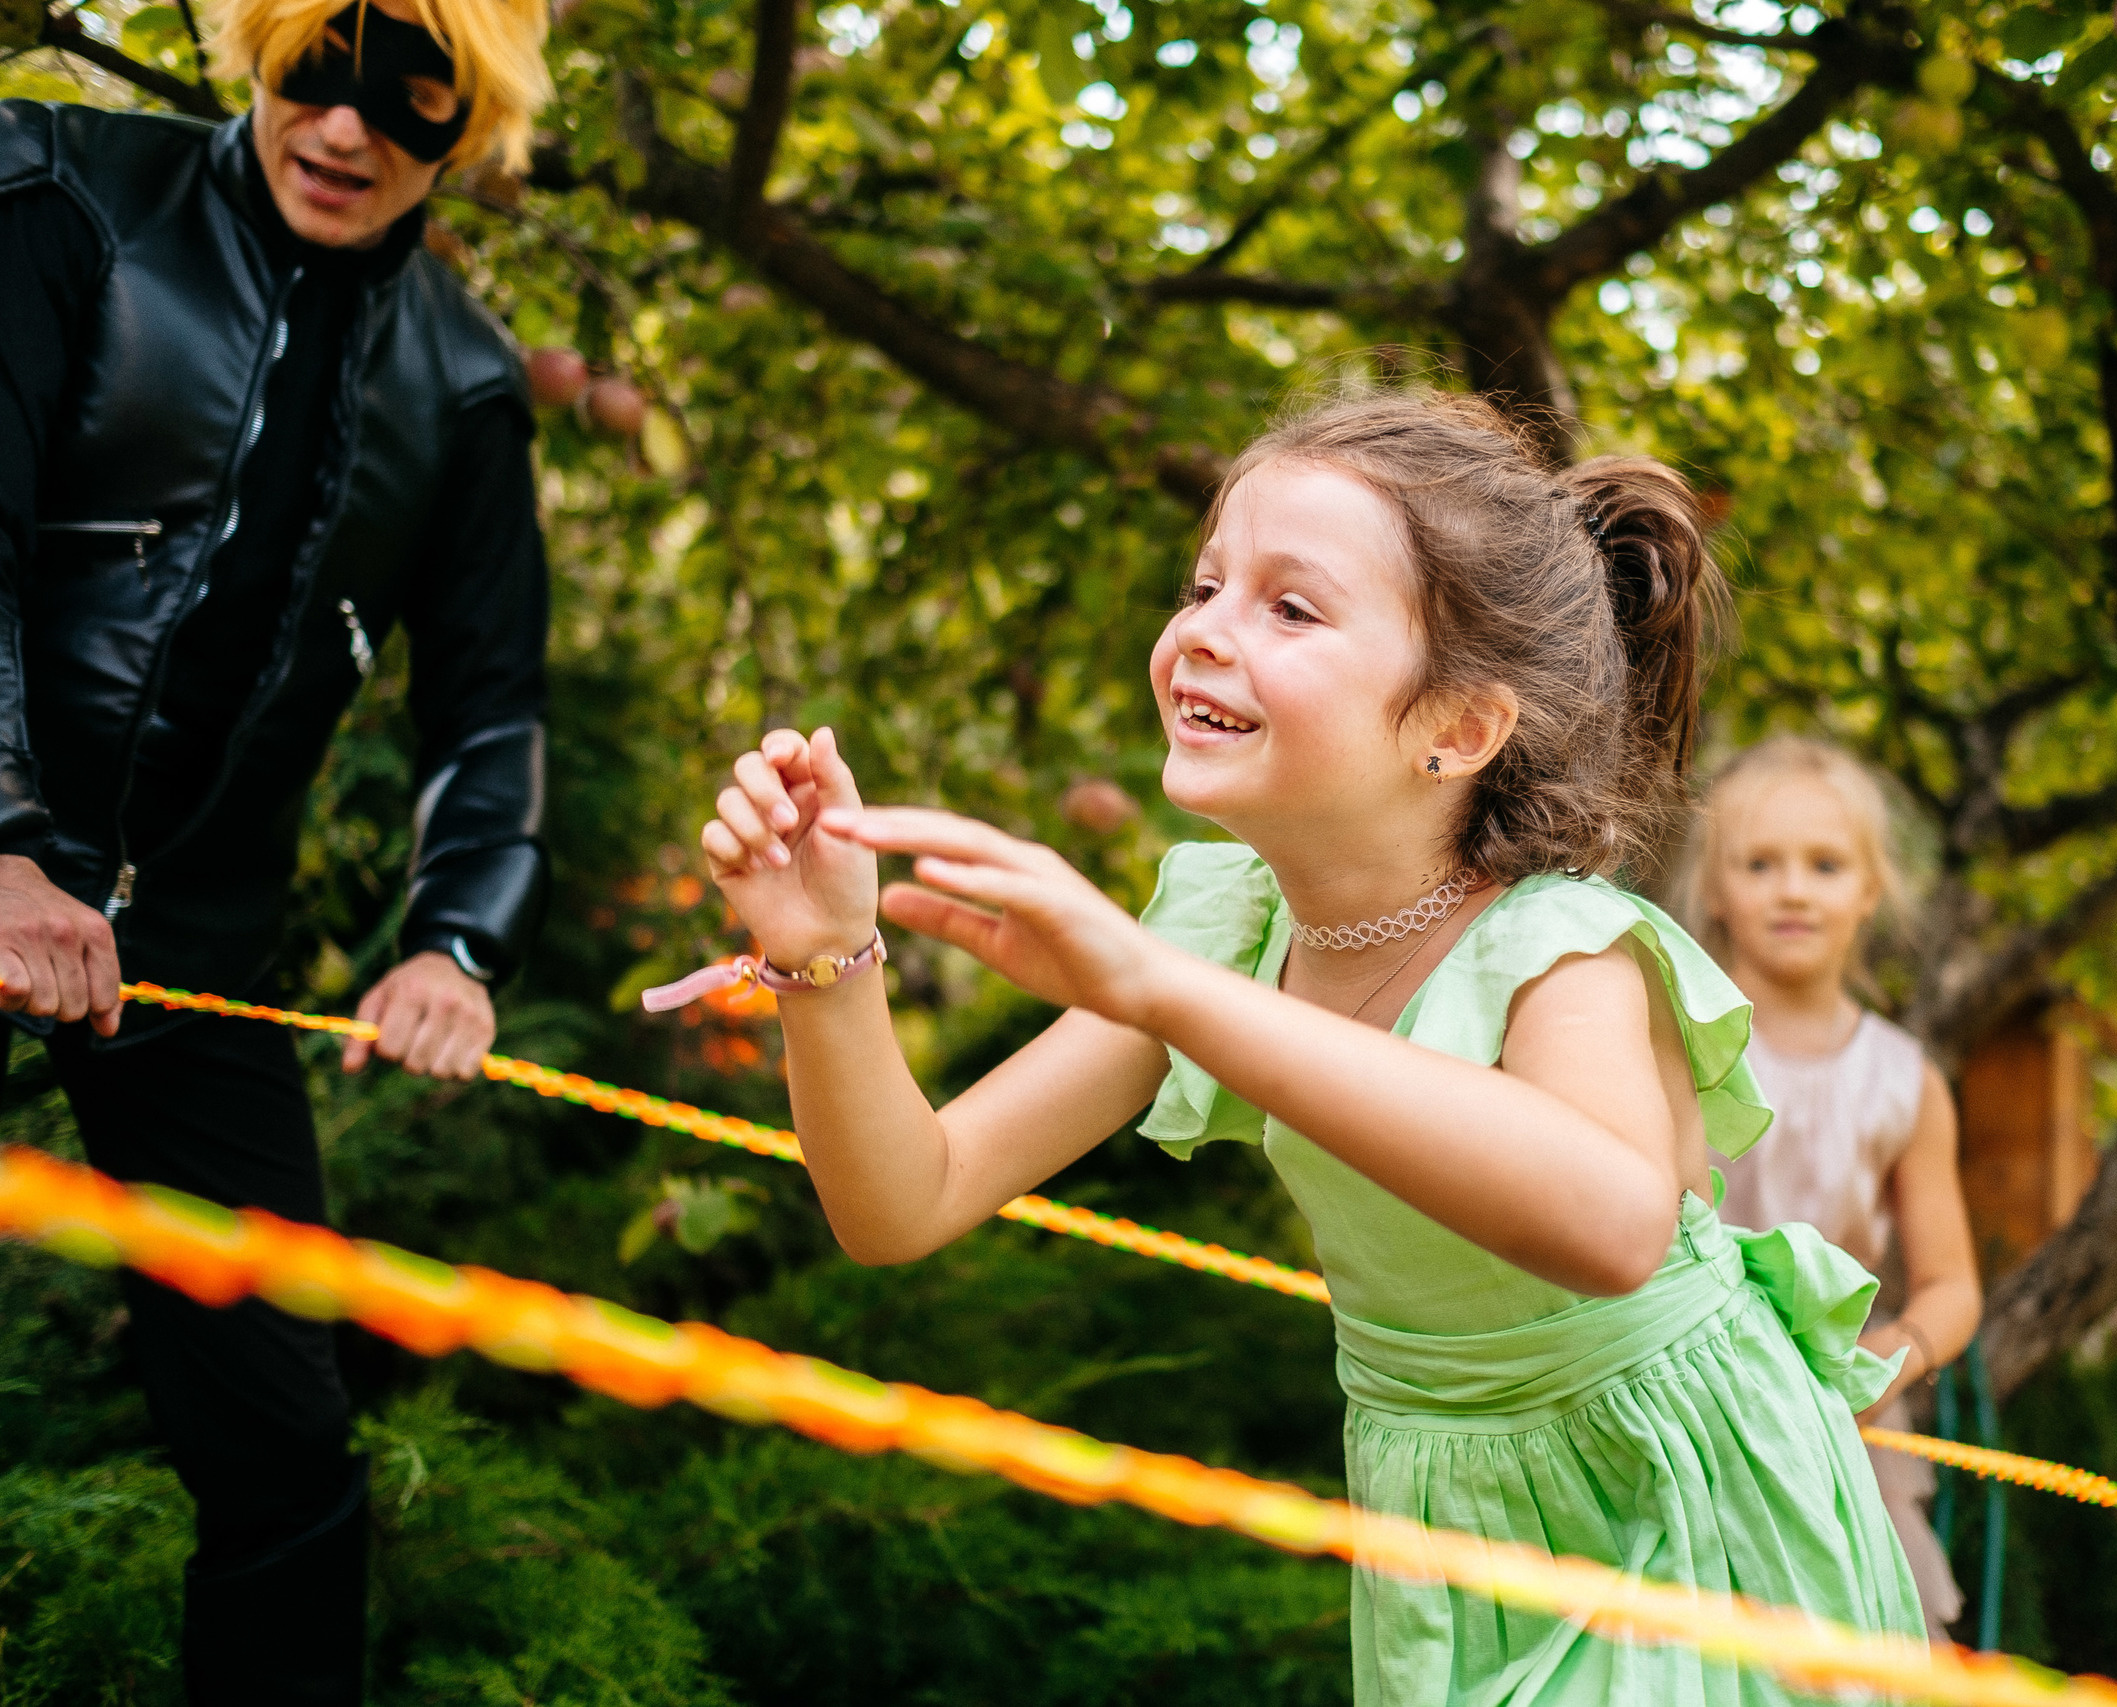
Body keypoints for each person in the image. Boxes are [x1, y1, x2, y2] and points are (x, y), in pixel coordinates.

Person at [680, 391, 1927, 1702]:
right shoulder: (1224, 932)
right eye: (1206, 583)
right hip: (1445, 1526)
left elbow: (1614, 1220)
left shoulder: (1563, 946)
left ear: (1456, 726)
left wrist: (1162, 989)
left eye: (1291, 607)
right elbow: (903, 1196)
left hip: (1689, 1509)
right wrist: (826, 960)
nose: (1204, 633)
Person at [0, 0, 553, 1695]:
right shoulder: (61, 198)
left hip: (196, 960)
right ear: (260, 49)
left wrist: (458, 940)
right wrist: (11, 848)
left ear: (472, 131)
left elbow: (490, 710)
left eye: (411, 107)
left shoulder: (463, 382)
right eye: (320, 71)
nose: (347, 131)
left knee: (287, 1459)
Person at [1674, 736, 1983, 1642]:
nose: (1794, 889)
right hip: (1690, 1412)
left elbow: (1953, 1285)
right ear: (1717, 889)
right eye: (1761, 863)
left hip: (1848, 1432)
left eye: (1825, 864)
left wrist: (1894, 1355)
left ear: (1869, 890)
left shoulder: (1905, 1081)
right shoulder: (1676, 1041)